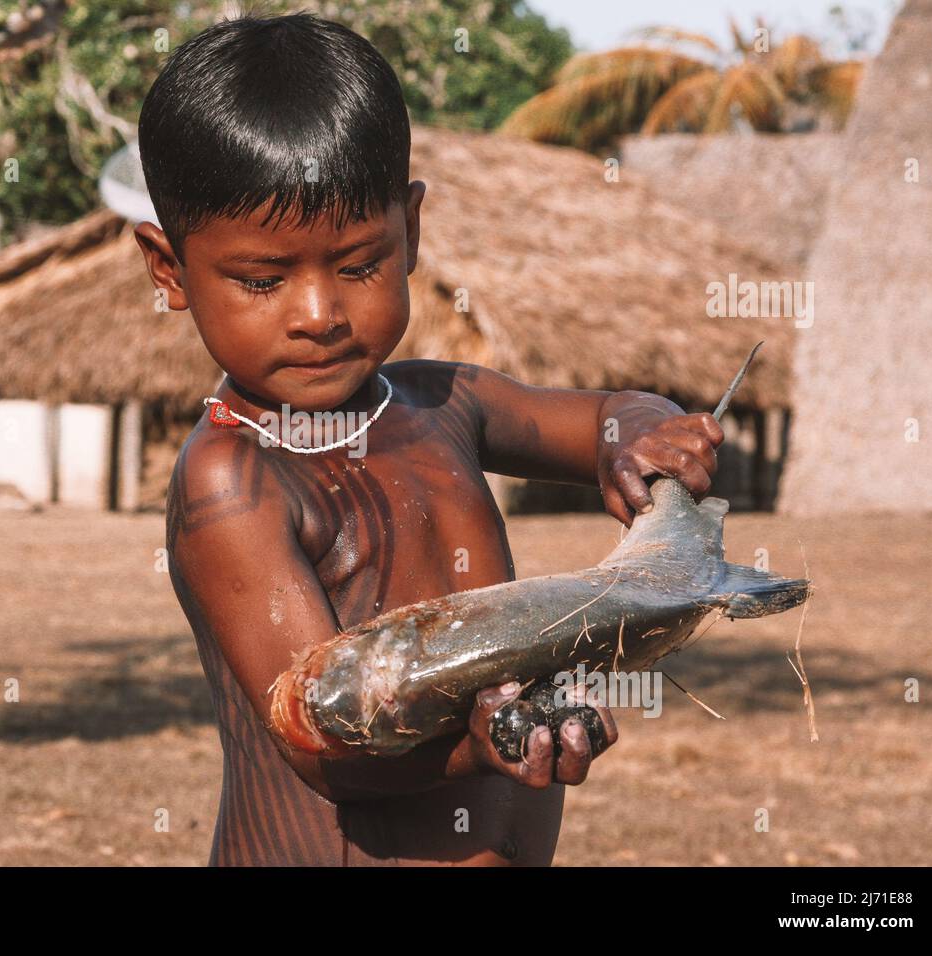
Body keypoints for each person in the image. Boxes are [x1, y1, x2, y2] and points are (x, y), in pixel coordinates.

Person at [133, 11, 723, 866]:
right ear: (168, 269)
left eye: (359, 264)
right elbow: (322, 737)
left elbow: (607, 415)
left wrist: (640, 442)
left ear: (411, 230)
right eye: (262, 280)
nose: (318, 315)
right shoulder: (232, 480)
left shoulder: (443, 401)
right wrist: (480, 746)